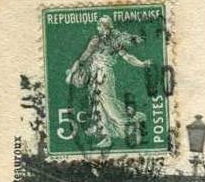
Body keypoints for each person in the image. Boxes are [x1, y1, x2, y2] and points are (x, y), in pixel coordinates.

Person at [64, 15, 152, 149]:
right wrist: (142, 64)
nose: (98, 28)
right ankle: (105, 136)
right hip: (97, 75)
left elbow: (83, 58)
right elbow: (127, 57)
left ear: (103, 27)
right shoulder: (110, 42)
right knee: (98, 105)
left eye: (99, 26)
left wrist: (72, 71)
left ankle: (132, 120)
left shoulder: (100, 41)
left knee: (108, 104)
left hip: (103, 75)